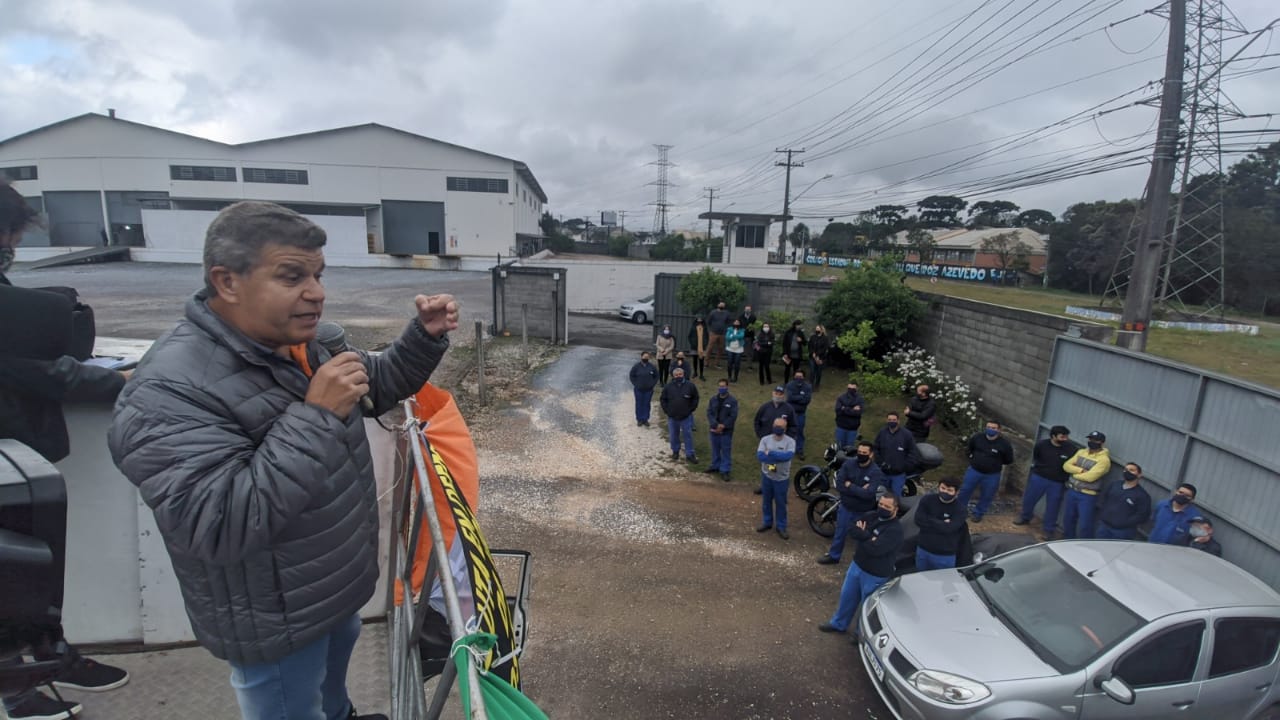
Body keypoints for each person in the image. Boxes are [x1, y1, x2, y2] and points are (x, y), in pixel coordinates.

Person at [108, 201, 458, 720]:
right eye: (292, 276)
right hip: (275, 618)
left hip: (330, 589)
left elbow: (374, 384)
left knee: (331, 694)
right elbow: (218, 524)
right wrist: (316, 415)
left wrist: (421, 338)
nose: (315, 292)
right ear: (226, 282)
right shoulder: (167, 392)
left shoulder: (298, 345)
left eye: (317, 275)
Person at [1, 181, 132, 720]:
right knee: (14, 569)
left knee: (36, 567)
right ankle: (15, 684)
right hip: (8, 456)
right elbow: (33, 368)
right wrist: (123, 384)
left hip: (19, 452)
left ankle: (48, 656)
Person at [818, 494, 903, 635]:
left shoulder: (895, 531)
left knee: (867, 607)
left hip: (875, 575)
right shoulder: (871, 515)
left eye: (887, 506)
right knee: (847, 598)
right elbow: (852, 530)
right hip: (857, 566)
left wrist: (863, 533)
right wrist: (870, 537)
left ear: (895, 509)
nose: (882, 508)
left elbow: (876, 550)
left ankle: (860, 634)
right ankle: (838, 624)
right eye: (881, 504)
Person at [817, 442, 884, 565]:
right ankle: (834, 556)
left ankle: (860, 562)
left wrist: (850, 485)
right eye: (859, 452)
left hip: (863, 511)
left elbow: (869, 494)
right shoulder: (849, 464)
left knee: (862, 537)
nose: (861, 455)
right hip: (846, 507)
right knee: (839, 533)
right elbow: (840, 485)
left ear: (871, 454)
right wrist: (859, 489)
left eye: (864, 453)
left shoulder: (875, 472)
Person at [1014, 425, 1075, 542]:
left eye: (1066, 436)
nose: (1065, 439)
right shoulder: (1042, 445)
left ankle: (1048, 530)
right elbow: (1036, 457)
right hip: (1039, 478)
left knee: (1053, 507)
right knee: (1029, 499)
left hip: (1057, 482)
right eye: (1062, 436)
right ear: (1053, 436)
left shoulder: (1071, 449)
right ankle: (1025, 517)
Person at [956, 420, 1014, 523]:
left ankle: (978, 513)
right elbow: (969, 449)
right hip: (974, 471)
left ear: (999, 430)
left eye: (994, 428)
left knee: (987, 495)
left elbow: (1008, 460)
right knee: (965, 491)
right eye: (989, 427)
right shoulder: (977, 437)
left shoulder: (1004, 444)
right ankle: (959, 511)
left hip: (992, 475)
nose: (990, 429)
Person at [1061, 430, 1112, 539]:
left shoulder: (1104, 460)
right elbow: (1066, 466)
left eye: (1095, 440)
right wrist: (1081, 471)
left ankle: (1083, 547)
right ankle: (1067, 541)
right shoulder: (1081, 452)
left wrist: (1073, 474)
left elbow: (1090, 477)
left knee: (1085, 524)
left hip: (1087, 495)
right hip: (1072, 490)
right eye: (1090, 439)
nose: (1092, 442)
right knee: (1068, 519)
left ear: (1102, 443)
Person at [915, 476, 968, 571]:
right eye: (943, 488)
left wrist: (929, 519)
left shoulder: (960, 510)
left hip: (944, 556)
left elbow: (949, 529)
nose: (945, 492)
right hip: (923, 549)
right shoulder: (927, 500)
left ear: (956, 492)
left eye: (949, 490)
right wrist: (941, 522)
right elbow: (918, 520)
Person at [755, 417, 796, 540]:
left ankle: (781, 526)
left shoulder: (790, 442)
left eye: (781, 427)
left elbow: (788, 456)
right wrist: (777, 457)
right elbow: (761, 456)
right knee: (766, 502)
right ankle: (767, 522)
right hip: (767, 476)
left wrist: (771, 453)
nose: (778, 428)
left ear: (785, 429)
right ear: (773, 426)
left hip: (781, 479)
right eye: (776, 425)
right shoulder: (765, 439)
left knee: (781, 503)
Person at [1095, 462, 1152, 540]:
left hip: (1123, 532)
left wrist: (1124, 522)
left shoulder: (1142, 496)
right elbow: (1102, 499)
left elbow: (1142, 516)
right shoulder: (1114, 485)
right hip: (1104, 527)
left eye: (1131, 470)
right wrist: (1103, 514)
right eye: (1125, 469)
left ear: (1139, 475)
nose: (1127, 472)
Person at [872, 412, 918, 497]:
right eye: (889, 420)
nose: (891, 421)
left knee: (896, 497)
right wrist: (880, 463)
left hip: (898, 475)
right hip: (883, 473)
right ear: (886, 420)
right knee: (880, 496)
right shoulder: (882, 432)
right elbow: (875, 448)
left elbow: (913, 452)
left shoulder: (907, 434)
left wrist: (904, 467)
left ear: (898, 421)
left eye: (894, 420)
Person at [659, 366, 699, 462]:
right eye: (676, 375)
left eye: (680, 374)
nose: (678, 376)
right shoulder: (668, 386)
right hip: (672, 417)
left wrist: (691, 410)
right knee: (673, 435)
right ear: (673, 376)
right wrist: (667, 411)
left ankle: (690, 454)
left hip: (686, 416)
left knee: (688, 435)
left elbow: (695, 398)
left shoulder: (690, 386)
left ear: (683, 374)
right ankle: (675, 451)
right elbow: (663, 399)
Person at [704, 378, 738, 482]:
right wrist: (714, 424)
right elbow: (709, 412)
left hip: (726, 430)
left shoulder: (732, 401)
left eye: (723, 386)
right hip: (714, 429)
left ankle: (725, 470)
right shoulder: (713, 399)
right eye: (720, 386)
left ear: (727, 387)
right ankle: (715, 466)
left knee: (726, 450)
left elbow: (733, 416)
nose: (721, 388)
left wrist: (723, 425)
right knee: (715, 448)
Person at [784, 369, 813, 459]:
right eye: (797, 377)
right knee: (788, 431)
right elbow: (789, 398)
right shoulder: (789, 385)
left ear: (803, 377)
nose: (798, 378)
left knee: (799, 432)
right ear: (794, 377)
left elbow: (807, 400)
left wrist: (795, 398)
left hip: (801, 414)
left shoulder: (808, 387)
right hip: (790, 413)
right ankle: (787, 449)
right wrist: (801, 397)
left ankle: (799, 450)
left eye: (800, 377)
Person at [628, 351, 659, 427]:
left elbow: (656, 376)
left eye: (647, 357)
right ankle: (639, 419)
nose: (646, 358)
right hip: (638, 389)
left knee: (646, 404)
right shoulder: (636, 366)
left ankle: (645, 419)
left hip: (648, 390)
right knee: (639, 404)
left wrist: (652, 384)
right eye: (644, 357)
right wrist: (636, 384)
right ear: (641, 357)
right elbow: (631, 376)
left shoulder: (652, 366)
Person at [834, 381, 865, 450]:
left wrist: (844, 408)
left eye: (853, 389)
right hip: (841, 426)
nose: (851, 390)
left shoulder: (860, 399)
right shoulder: (841, 397)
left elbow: (859, 412)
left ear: (857, 389)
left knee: (850, 449)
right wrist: (852, 409)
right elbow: (838, 410)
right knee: (839, 447)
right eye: (849, 388)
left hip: (853, 428)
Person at [706, 302, 731, 369]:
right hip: (713, 333)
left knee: (720, 349)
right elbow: (709, 322)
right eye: (720, 304)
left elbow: (728, 322)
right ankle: (706, 363)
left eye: (723, 305)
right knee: (710, 348)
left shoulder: (727, 313)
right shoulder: (713, 312)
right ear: (718, 305)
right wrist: (712, 329)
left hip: (722, 334)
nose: (721, 306)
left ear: (725, 306)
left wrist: (725, 329)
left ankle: (717, 364)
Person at [808, 325, 830, 390]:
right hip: (812, 357)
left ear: (821, 330)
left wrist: (817, 355)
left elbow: (824, 348)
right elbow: (809, 346)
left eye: (818, 329)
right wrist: (812, 353)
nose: (816, 330)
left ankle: (817, 385)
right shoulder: (813, 337)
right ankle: (811, 385)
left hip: (821, 358)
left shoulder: (825, 338)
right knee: (812, 371)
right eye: (816, 329)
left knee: (818, 372)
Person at [687, 316, 709, 380]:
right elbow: (689, 336)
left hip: (702, 347)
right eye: (698, 320)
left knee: (701, 361)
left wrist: (705, 344)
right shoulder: (693, 327)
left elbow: (707, 337)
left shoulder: (704, 328)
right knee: (695, 360)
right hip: (694, 347)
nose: (699, 321)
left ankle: (701, 374)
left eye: (700, 320)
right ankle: (695, 372)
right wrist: (692, 343)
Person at [738, 305, 758, 370]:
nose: (747, 310)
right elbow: (738, 326)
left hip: (749, 337)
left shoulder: (753, 317)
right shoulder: (740, 317)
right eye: (746, 309)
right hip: (741, 336)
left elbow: (755, 326)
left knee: (749, 352)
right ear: (744, 310)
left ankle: (749, 366)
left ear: (750, 310)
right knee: (739, 351)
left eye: (748, 309)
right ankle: (737, 364)